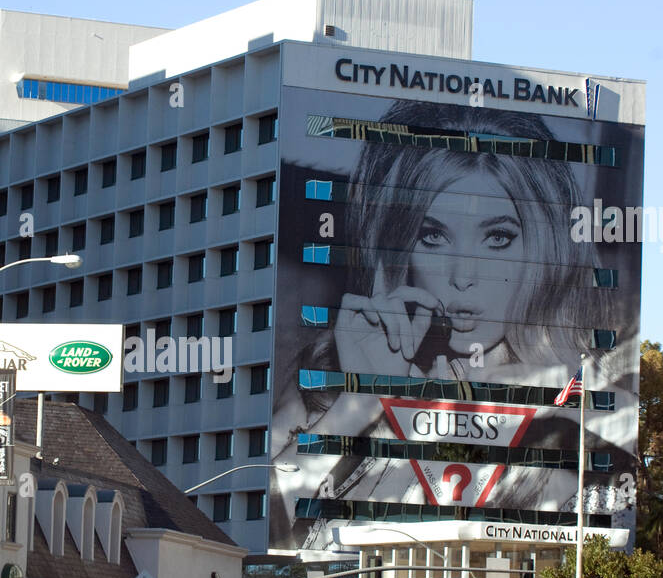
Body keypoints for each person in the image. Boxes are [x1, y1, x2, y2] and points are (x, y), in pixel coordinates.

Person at [272, 99, 638, 548]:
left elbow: (622, 552)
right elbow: (264, 535)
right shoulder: (323, 381)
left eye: (498, 238)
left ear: (543, 253)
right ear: (397, 245)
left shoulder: (593, 415)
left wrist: (564, 389)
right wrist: (358, 402)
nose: (464, 278)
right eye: (434, 235)